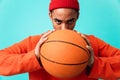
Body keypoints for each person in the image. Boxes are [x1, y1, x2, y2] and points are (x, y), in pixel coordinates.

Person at [0, 0, 120, 80]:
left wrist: (95, 63)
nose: (64, 29)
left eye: (70, 21)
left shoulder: (91, 43)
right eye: (58, 21)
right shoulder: (34, 42)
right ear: (50, 16)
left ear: (77, 16)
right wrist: (34, 57)